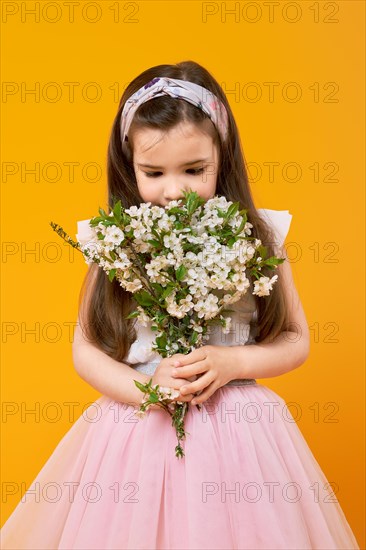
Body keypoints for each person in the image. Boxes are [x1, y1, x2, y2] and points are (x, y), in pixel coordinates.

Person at [0, 60, 360, 550]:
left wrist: (232, 361)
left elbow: (296, 338)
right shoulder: (118, 243)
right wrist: (148, 387)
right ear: (128, 166)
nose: (174, 191)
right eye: (153, 172)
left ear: (222, 159)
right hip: (137, 430)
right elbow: (83, 350)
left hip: (241, 434)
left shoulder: (259, 238)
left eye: (195, 170)